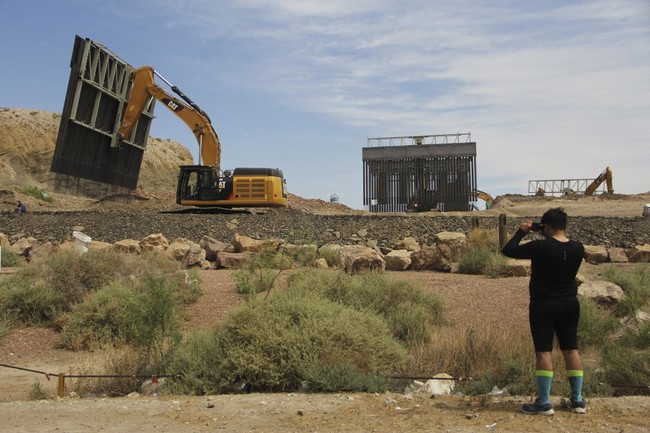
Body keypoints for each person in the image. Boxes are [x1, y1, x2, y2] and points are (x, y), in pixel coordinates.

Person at [502, 207, 586, 416]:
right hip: (569, 303)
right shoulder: (578, 248)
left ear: (546, 226)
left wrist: (523, 231)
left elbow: (508, 249)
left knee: (544, 351)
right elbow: (558, 244)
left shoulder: (540, 247)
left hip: (543, 305)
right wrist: (544, 230)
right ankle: (577, 400)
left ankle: (544, 402)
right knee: (571, 349)